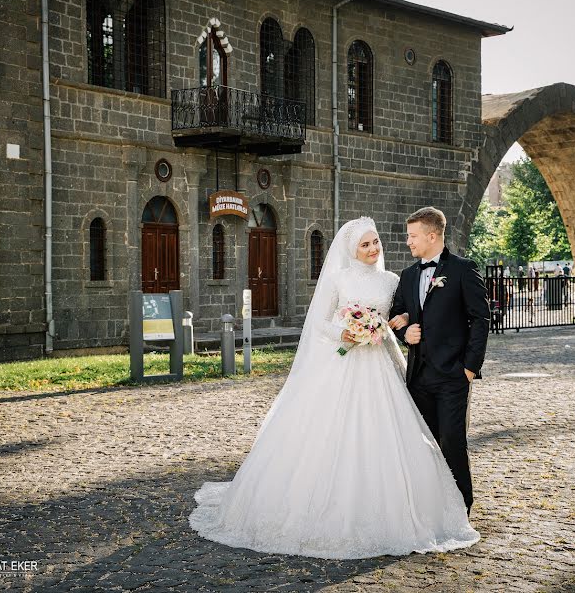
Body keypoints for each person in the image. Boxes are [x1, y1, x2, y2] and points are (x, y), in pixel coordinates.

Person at [189, 217, 479, 559]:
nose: (373, 249)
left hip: (380, 365)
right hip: (342, 364)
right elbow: (319, 323)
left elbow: (399, 318)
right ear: (352, 249)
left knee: (393, 432)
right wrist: (344, 333)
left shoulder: (393, 280)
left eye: (376, 243)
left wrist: (388, 328)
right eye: (365, 245)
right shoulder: (340, 279)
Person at [390, 207, 490, 515]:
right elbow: (395, 316)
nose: (408, 242)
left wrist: (469, 369)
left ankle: (461, 507)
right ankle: (431, 506)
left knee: (452, 440)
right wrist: (406, 332)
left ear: (432, 236)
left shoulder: (462, 269)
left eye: (413, 236)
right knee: (424, 443)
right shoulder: (407, 276)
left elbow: (481, 318)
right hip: (418, 376)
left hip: (452, 375)